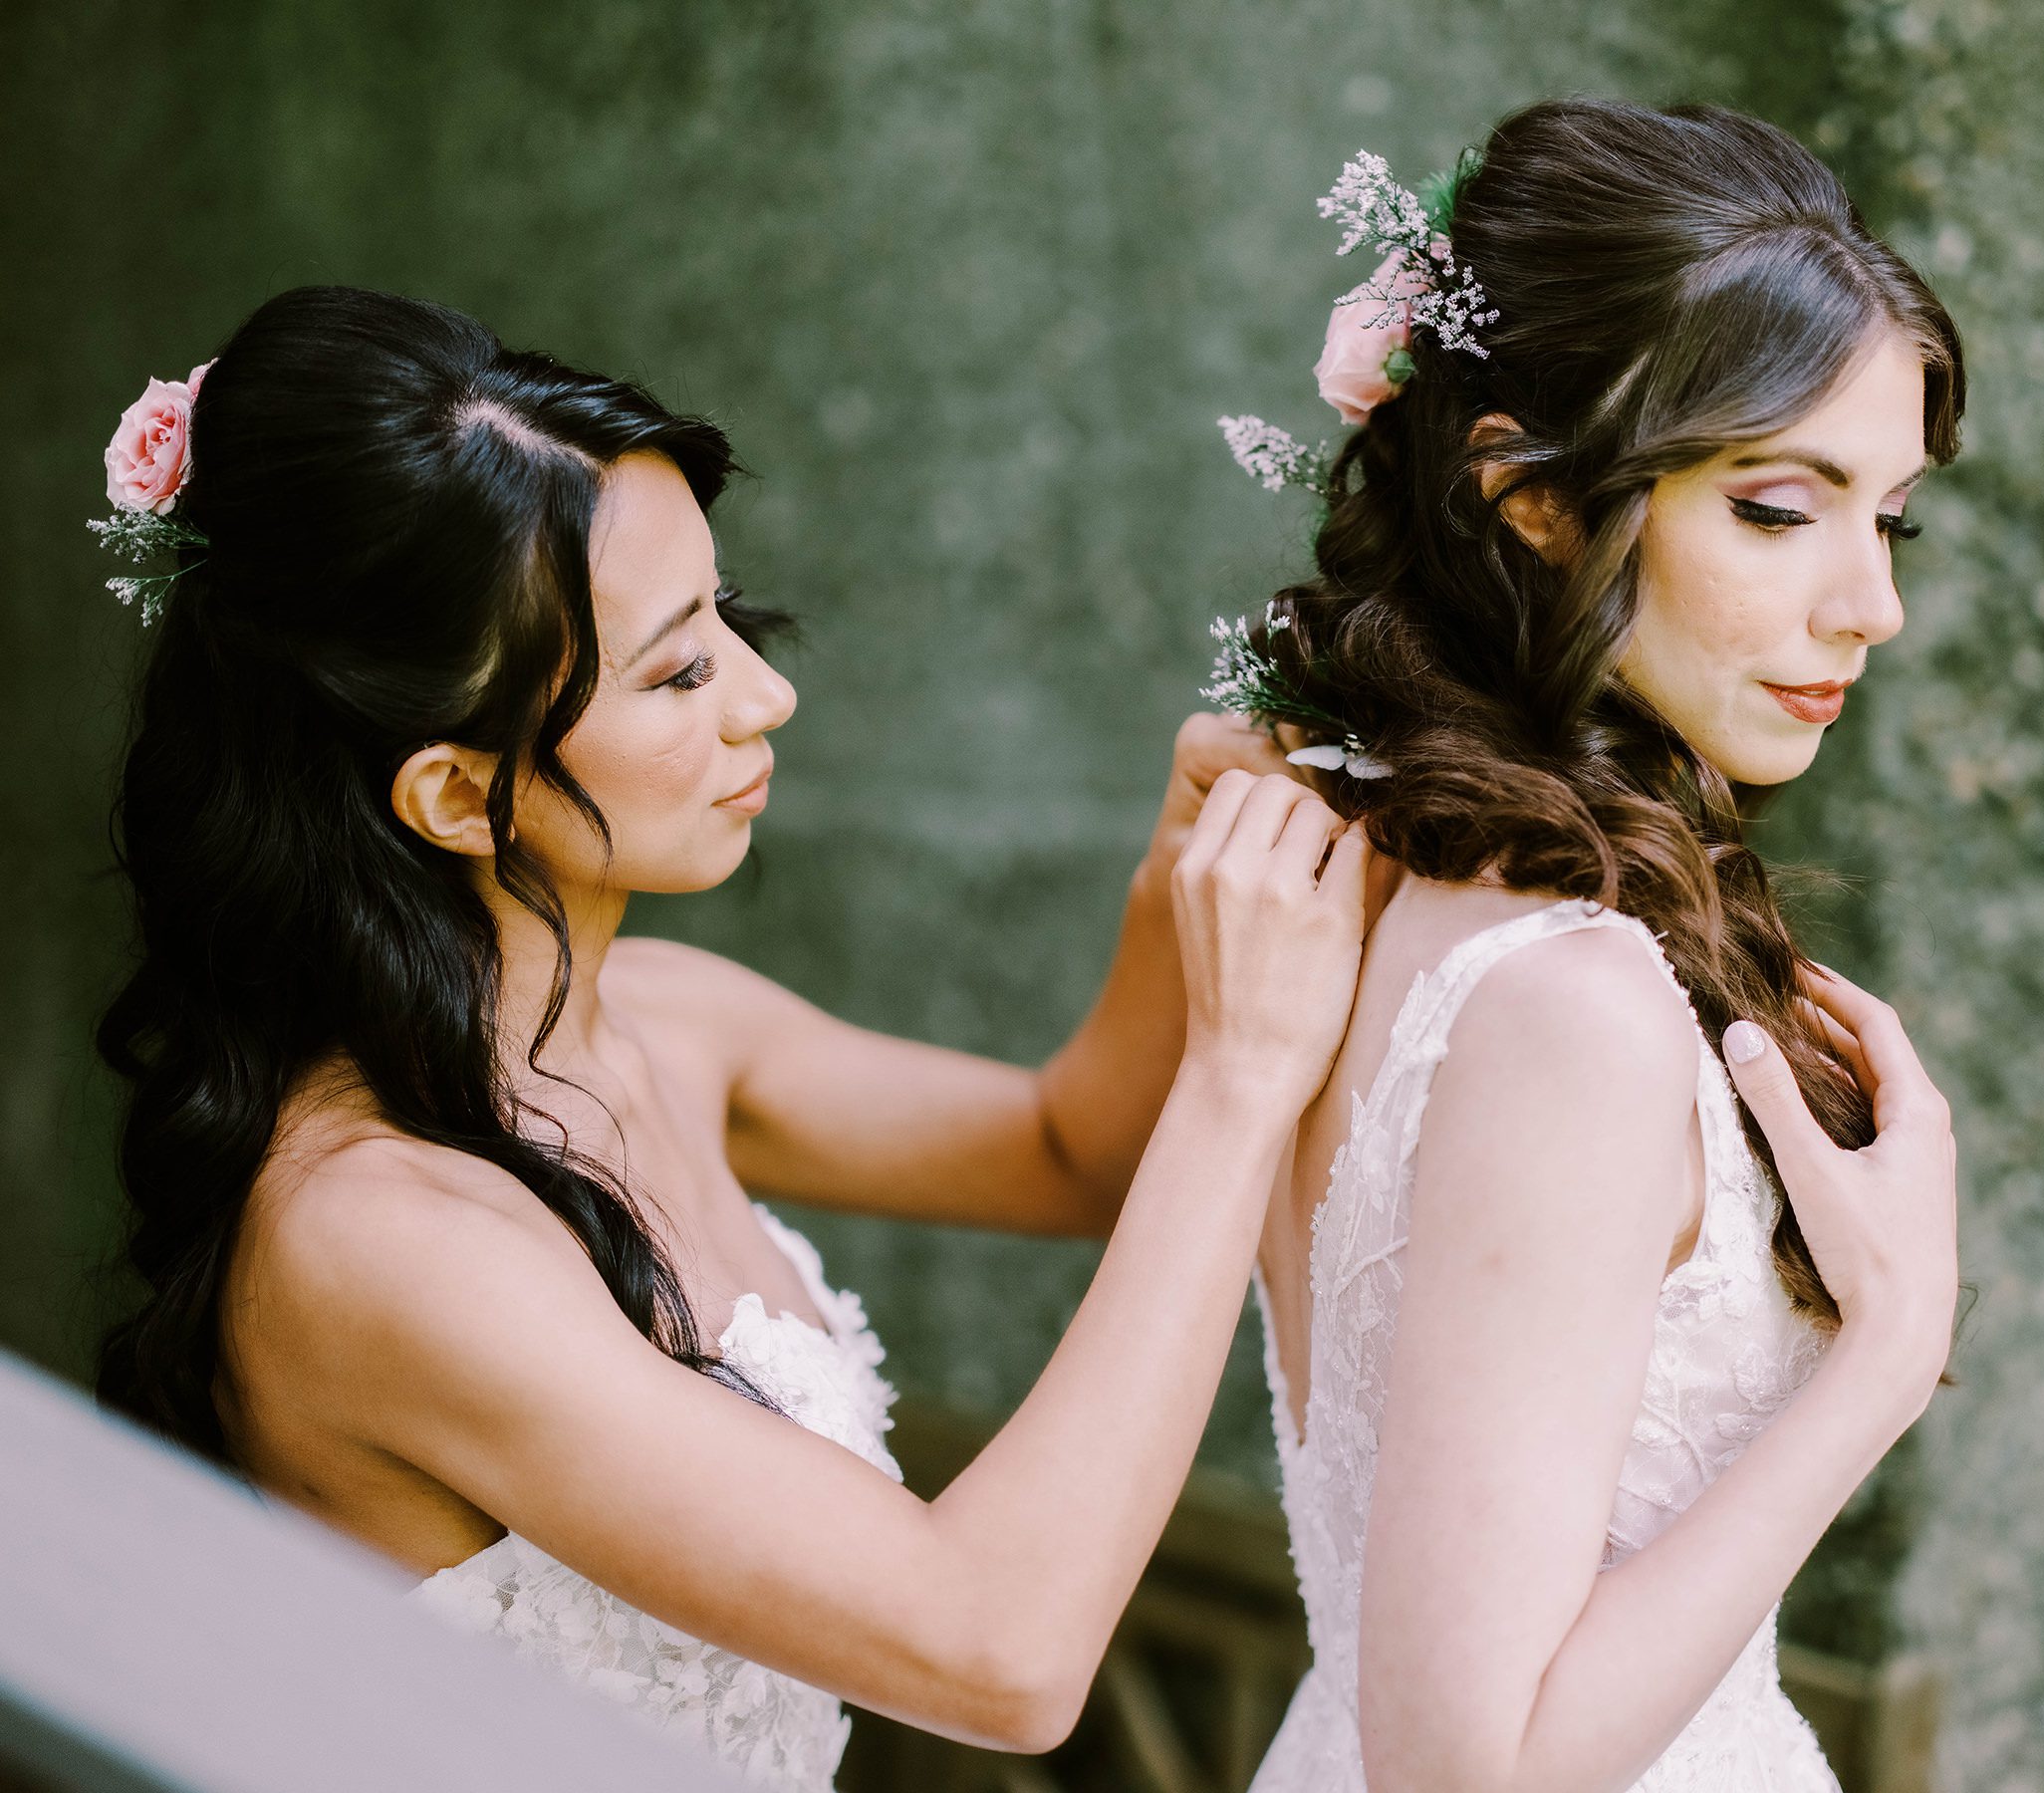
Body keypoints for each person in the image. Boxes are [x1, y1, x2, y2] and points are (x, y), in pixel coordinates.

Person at [87, 285, 1371, 1790]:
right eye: (682, 671)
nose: (771, 695)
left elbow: (1071, 1149)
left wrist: (1179, 871)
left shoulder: (662, 1028)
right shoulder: (379, 1240)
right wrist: (1242, 1076)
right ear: (453, 794)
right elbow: (1000, 1656)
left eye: (729, 623)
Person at [1213, 100, 1965, 1791]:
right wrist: (1886, 1354)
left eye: (1892, 518)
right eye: (1782, 510)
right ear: (1532, 497)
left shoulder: (1340, 860)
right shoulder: (1569, 1005)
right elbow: (1472, 1764)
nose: (1872, 603)